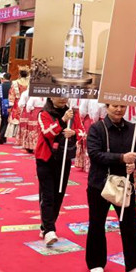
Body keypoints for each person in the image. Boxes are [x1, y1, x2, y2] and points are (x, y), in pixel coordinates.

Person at [85, 103, 136, 272]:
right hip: (100, 184)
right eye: (115, 106)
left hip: (124, 183)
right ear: (107, 107)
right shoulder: (97, 128)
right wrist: (121, 158)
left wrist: (134, 163)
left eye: (122, 106)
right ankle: (96, 262)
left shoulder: (132, 128)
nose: (119, 109)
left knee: (129, 223)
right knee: (97, 223)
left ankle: (135, 264)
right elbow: (95, 154)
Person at [36, 97, 85, 246]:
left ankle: (46, 225)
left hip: (64, 158)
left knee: (59, 194)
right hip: (45, 158)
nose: (63, 98)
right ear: (51, 96)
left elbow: (82, 132)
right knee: (47, 195)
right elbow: (48, 132)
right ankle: (50, 230)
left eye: (65, 95)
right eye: (59, 95)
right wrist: (63, 120)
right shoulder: (43, 113)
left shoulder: (73, 113)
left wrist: (73, 132)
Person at [0, 73, 12, 144]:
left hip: (0, 105)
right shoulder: (12, 86)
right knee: (6, 121)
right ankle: (2, 136)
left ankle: (2, 135)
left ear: (3, 78)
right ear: (10, 78)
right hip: (10, 105)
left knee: (2, 120)